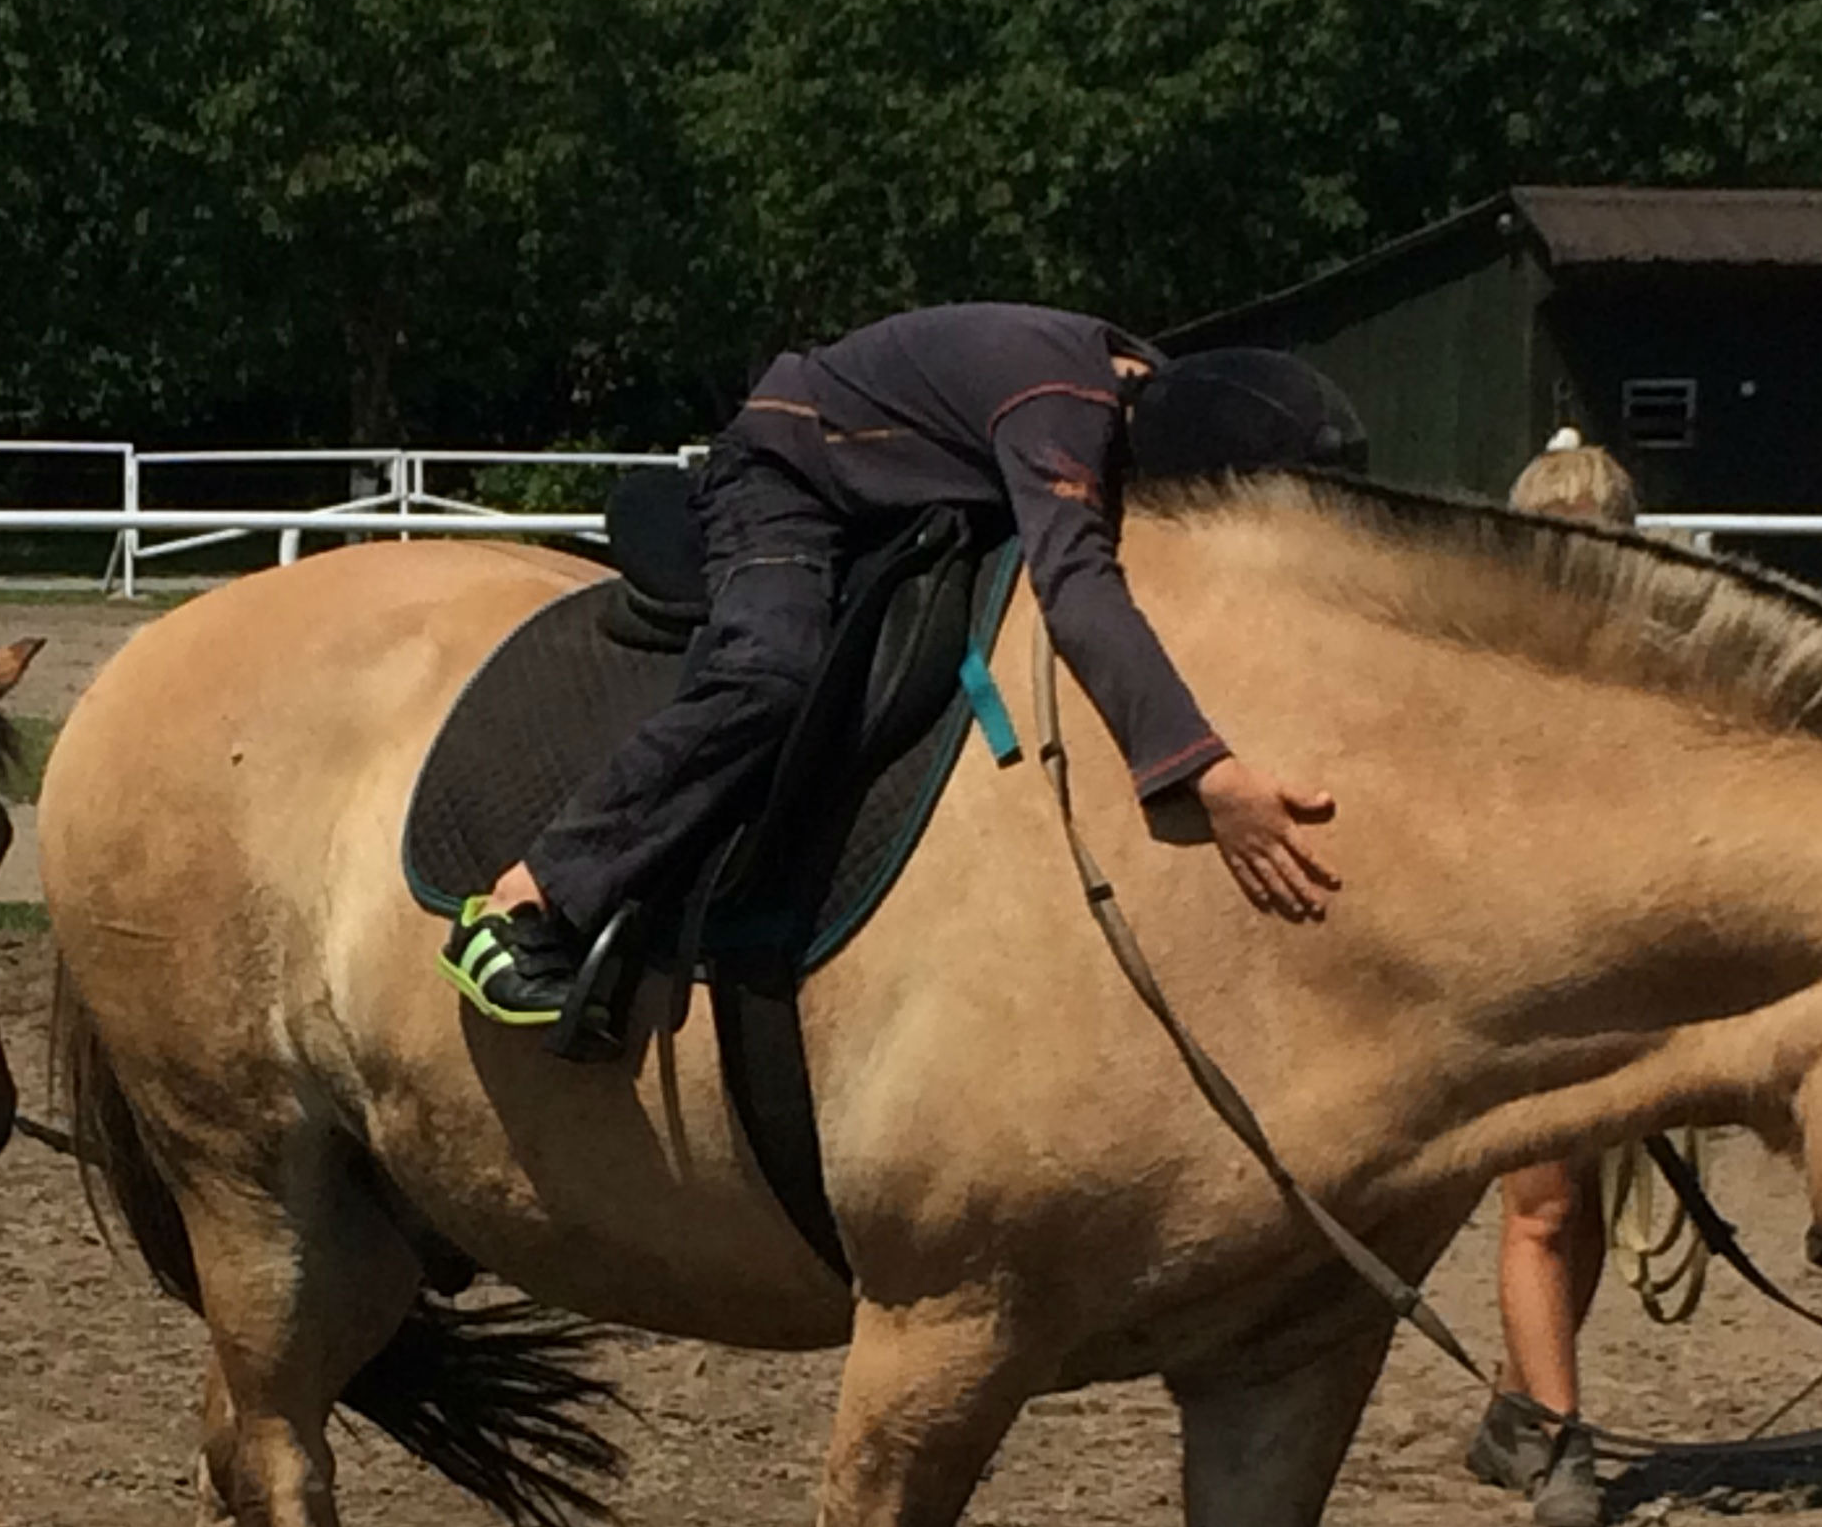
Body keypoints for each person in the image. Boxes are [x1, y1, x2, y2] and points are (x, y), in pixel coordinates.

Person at [440, 304, 1368, 1033]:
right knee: (770, 670)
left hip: (901, 486)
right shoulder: (1062, 408)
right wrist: (1203, 769)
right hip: (786, 478)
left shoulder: (1161, 389)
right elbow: (1077, 584)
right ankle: (533, 900)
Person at [1465, 430, 1642, 1527]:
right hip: (1524, 966)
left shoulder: (1648, 670)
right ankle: (1562, 1441)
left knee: (1590, 1212)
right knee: (1544, 1205)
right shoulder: (1496, 676)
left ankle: (1518, 1410)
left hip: (1622, 968)